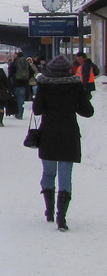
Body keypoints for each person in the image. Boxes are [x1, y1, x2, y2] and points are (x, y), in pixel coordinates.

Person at [32, 54, 94, 231]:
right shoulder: (75, 86)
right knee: (65, 174)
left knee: (49, 172)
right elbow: (88, 112)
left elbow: (37, 110)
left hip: (49, 133)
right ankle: (61, 218)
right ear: (68, 69)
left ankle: (49, 210)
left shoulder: (44, 85)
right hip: (69, 134)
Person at [9, 50, 34, 119]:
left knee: (16, 98)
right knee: (21, 99)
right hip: (24, 83)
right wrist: (27, 78)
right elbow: (32, 71)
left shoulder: (14, 63)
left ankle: (16, 112)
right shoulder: (26, 63)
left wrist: (10, 82)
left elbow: (10, 73)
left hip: (15, 83)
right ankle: (20, 114)